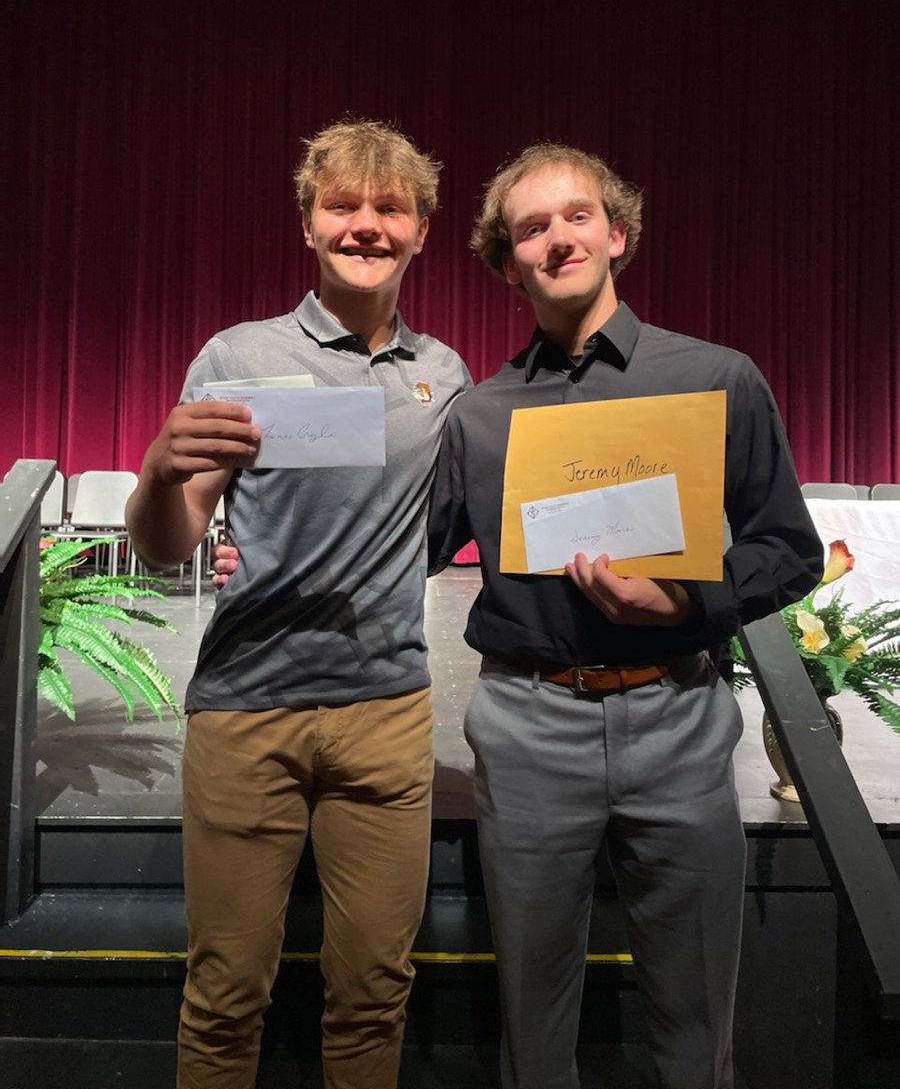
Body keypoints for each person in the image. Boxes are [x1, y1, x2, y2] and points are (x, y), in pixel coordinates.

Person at [427, 143, 823, 1089]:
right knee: (533, 1023)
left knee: (696, 1018)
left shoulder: (717, 378)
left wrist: (688, 598)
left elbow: (787, 550)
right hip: (528, 725)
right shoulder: (480, 414)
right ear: (508, 261)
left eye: (577, 216)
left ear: (617, 233)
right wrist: (264, 545)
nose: (558, 239)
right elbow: (410, 546)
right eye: (532, 228)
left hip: (678, 714)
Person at [125, 119, 470, 1089]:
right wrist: (159, 472)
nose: (366, 225)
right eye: (342, 205)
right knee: (225, 995)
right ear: (308, 224)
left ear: (421, 230)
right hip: (245, 711)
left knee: (374, 995)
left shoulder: (445, 377)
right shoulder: (237, 358)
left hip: (387, 716)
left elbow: (446, 527)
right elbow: (167, 545)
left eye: (389, 208)